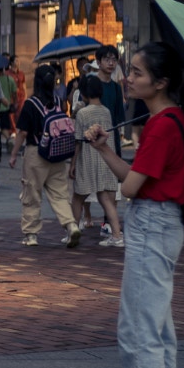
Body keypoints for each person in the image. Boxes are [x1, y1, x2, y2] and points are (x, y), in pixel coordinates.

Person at [85, 43, 184, 368]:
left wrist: (108, 152)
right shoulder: (171, 119)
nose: (128, 77)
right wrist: (105, 149)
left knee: (138, 330)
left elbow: (130, 187)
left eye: (138, 72)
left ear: (161, 82)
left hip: (152, 224)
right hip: (163, 223)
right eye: (129, 69)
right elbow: (135, 178)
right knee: (158, 326)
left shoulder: (163, 126)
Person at [9, 64, 80, 247]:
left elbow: (22, 132)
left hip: (36, 153)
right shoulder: (57, 101)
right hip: (57, 154)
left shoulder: (31, 104)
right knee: (60, 193)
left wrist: (14, 154)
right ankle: (71, 225)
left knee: (31, 193)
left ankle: (31, 235)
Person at [71, 76, 123, 246]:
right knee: (106, 199)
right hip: (105, 158)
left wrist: (73, 163)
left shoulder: (82, 113)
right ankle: (117, 235)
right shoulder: (106, 111)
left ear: (84, 93)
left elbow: (78, 140)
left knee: (78, 196)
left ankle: (73, 230)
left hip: (88, 158)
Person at [95, 46, 127, 154]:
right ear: (98, 62)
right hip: (94, 136)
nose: (111, 63)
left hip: (112, 135)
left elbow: (118, 119)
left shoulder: (117, 88)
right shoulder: (91, 84)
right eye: (107, 60)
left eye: (114, 60)